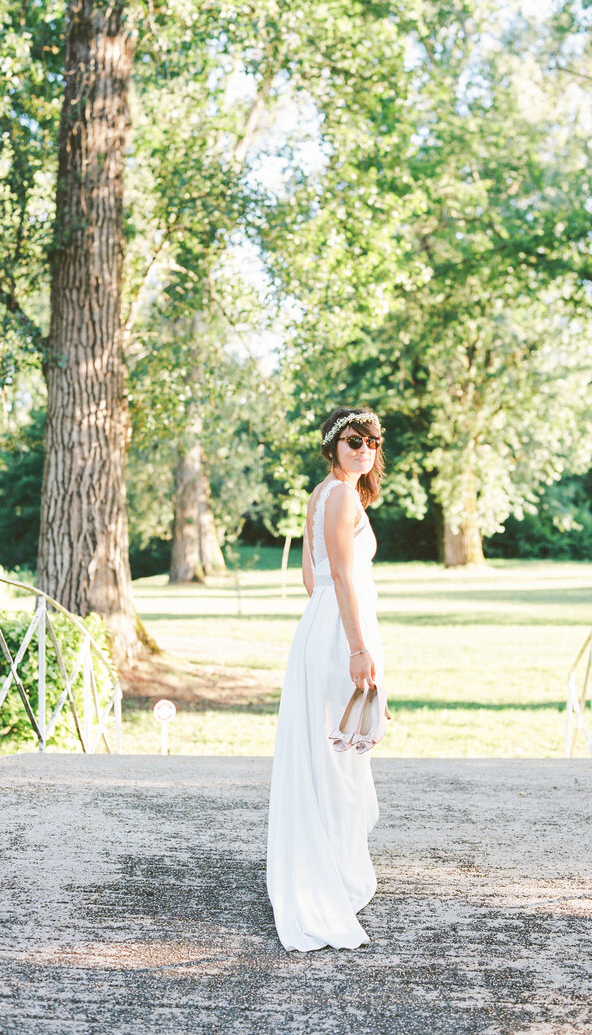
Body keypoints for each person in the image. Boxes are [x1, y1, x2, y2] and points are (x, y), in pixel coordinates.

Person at [266, 407, 390, 952]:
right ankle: (331, 875)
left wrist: (329, 624)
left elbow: (308, 576)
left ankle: (327, 862)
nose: (364, 449)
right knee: (339, 754)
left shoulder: (321, 494)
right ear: (334, 445)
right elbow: (339, 573)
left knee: (327, 750)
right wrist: (358, 647)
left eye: (372, 441)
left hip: (320, 626)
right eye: (353, 440)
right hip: (342, 632)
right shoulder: (341, 496)